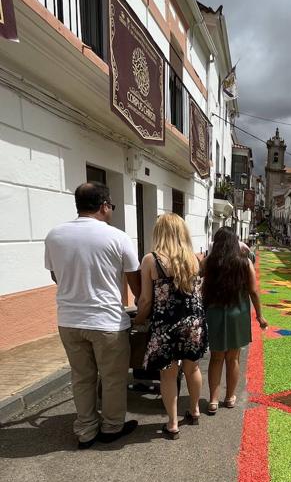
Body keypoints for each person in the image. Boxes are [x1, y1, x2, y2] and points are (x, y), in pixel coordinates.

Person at [44, 182, 141, 448]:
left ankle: (85, 430)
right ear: (103, 206)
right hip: (107, 321)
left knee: (81, 377)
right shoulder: (118, 237)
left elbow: (56, 276)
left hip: (69, 320)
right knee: (112, 378)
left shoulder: (54, 235)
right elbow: (134, 282)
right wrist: (144, 307)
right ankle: (111, 427)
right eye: (111, 205)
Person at [134, 214, 207, 439]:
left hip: (165, 324)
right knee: (192, 368)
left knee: (168, 374)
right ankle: (194, 411)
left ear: (160, 233)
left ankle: (172, 424)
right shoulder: (195, 259)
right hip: (193, 322)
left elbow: (146, 300)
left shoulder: (151, 260)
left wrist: (138, 320)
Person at [202, 227, 268, 414]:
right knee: (233, 358)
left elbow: (197, 271)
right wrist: (260, 316)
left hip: (214, 314)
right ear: (235, 243)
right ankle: (230, 397)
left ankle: (213, 401)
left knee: (216, 358)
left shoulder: (211, 262)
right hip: (237, 314)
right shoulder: (244, 262)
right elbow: (253, 291)